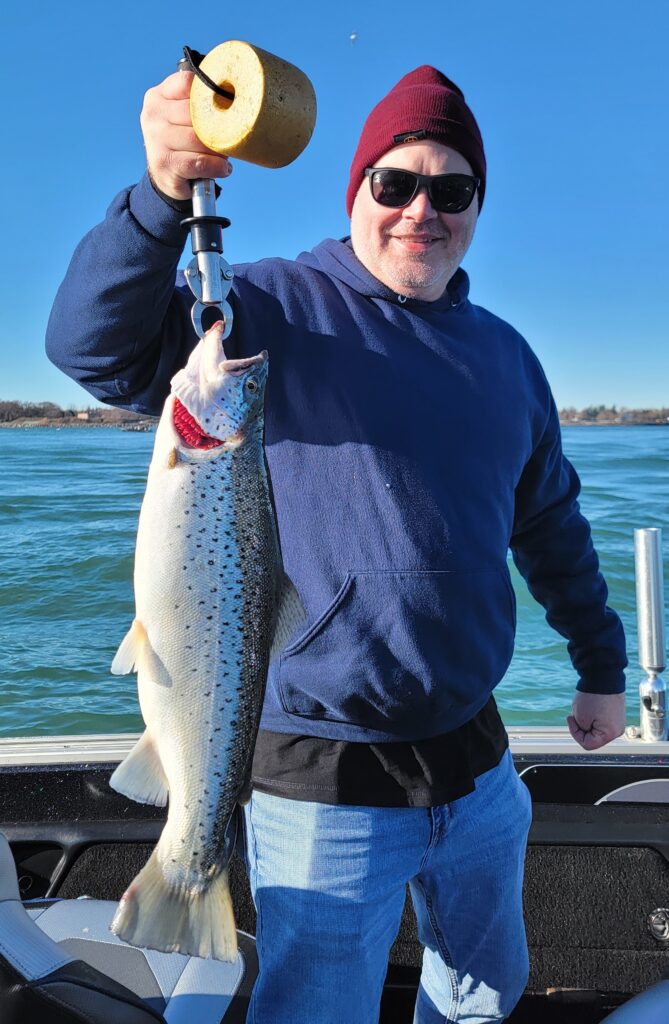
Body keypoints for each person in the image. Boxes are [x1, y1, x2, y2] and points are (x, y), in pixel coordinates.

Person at [46, 64, 627, 1023]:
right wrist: (158, 197)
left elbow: (551, 524)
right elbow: (94, 351)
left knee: (484, 998)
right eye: (394, 183)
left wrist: (600, 666)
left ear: (477, 205)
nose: (420, 210)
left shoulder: (506, 357)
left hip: (480, 769)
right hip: (319, 783)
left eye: (451, 190)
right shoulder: (267, 308)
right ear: (355, 190)